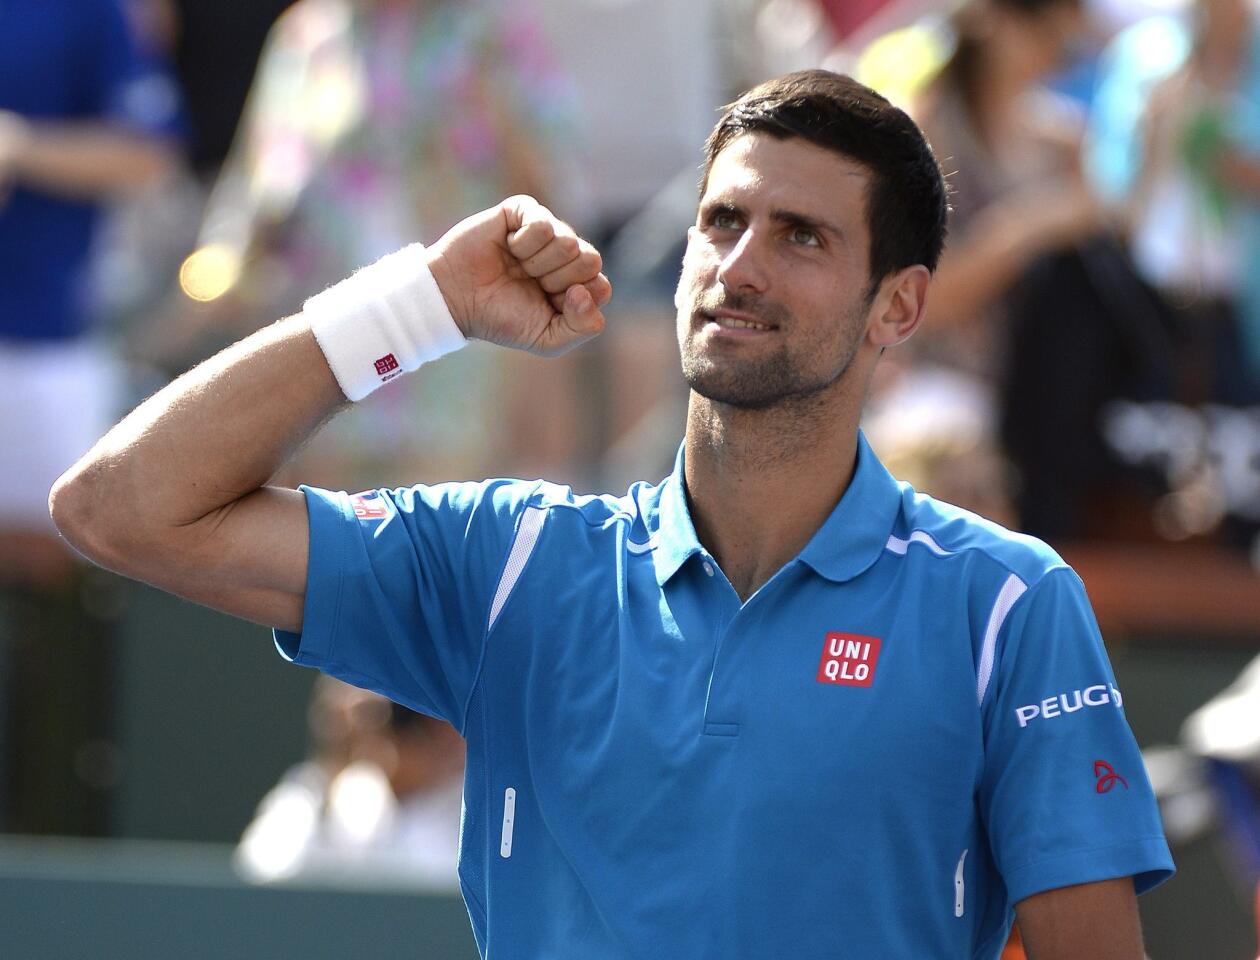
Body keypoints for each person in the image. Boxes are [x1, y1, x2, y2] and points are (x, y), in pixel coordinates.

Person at [50, 70, 1174, 958]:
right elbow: (119, 508)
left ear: (901, 306)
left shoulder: (1008, 604)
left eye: (803, 236)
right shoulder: (515, 562)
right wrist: (422, 303)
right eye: (722, 220)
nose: (739, 265)